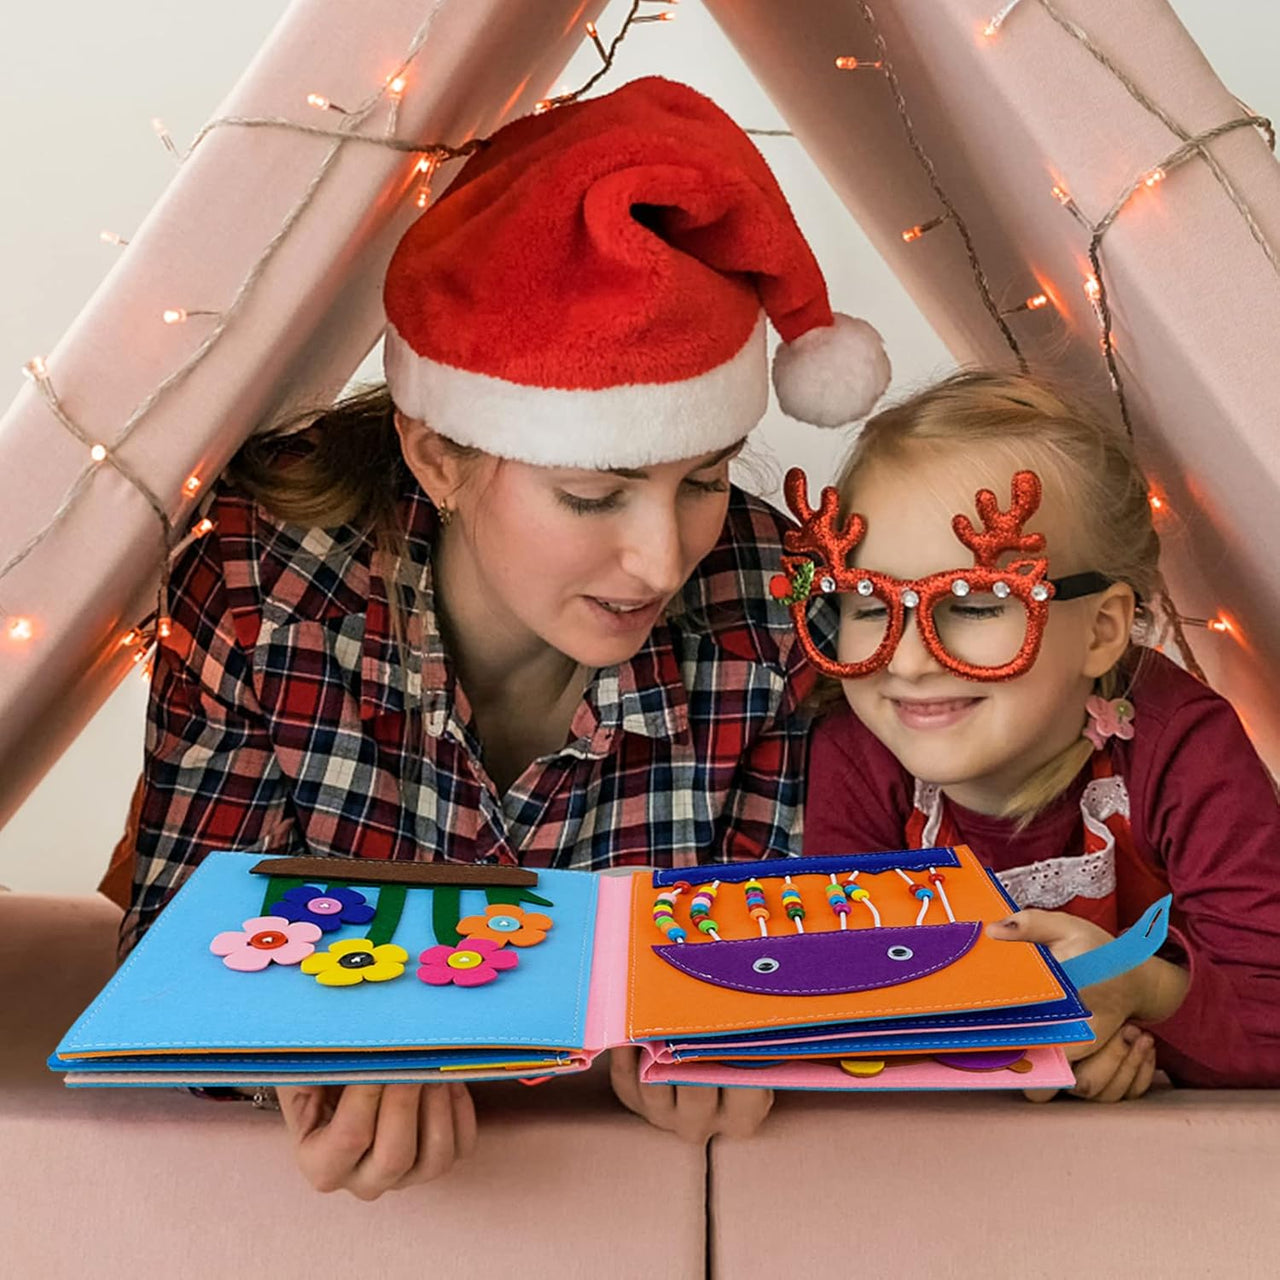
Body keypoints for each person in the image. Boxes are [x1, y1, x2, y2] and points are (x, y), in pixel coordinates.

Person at [105, 75, 891, 1197]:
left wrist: (751, 1027)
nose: (662, 560)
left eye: (704, 481)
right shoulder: (256, 576)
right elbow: (174, 949)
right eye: (591, 495)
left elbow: (800, 930)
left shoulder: (775, 602)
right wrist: (306, 1048)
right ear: (440, 457)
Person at [796, 370, 1280, 1100]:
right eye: (870, 603)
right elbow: (841, 1003)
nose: (908, 659)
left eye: (977, 605)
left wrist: (1140, 990)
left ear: (1103, 630)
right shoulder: (855, 752)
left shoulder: (1186, 750)